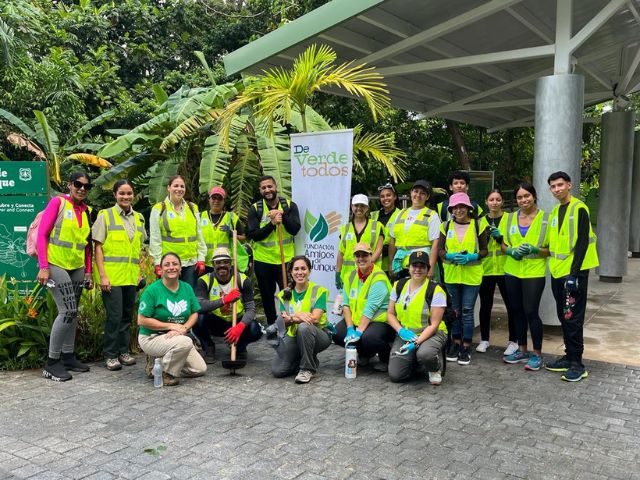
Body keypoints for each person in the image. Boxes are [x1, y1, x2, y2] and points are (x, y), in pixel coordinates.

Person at [37, 171, 94, 382]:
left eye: (86, 186)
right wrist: (44, 266)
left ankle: (68, 356)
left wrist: (88, 270)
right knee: (67, 310)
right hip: (55, 263)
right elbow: (43, 235)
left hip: (77, 265)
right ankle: (52, 363)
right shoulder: (58, 203)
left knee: (73, 311)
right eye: (78, 184)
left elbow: (86, 245)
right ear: (70, 185)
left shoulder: (87, 211)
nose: (82, 189)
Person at [545, 171, 599, 382]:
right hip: (558, 271)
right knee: (563, 315)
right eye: (553, 186)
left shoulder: (579, 208)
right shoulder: (556, 211)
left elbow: (583, 243)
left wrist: (574, 274)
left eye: (560, 185)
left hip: (573, 274)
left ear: (569, 184)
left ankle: (577, 363)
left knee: (573, 318)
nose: (557, 189)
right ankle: (569, 356)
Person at [93, 179, 147, 371]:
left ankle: (123, 352)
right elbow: (98, 247)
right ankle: (110, 354)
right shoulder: (105, 216)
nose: (126, 197)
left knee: (126, 316)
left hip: (131, 277)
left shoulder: (139, 218)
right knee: (114, 317)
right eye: (122, 193)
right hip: (112, 277)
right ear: (115, 195)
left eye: (129, 193)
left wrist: (140, 273)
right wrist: (103, 276)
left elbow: (138, 249)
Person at [500, 183, 549, 371]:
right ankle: (522, 350)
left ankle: (537, 354)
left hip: (534, 272)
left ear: (534, 196)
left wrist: (535, 250)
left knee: (531, 311)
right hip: (512, 270)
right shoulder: (510, 218)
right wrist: (510, 251)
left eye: (527, 196)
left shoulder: (546, 219)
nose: (523, 200)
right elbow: (503, 244)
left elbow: (550, 250)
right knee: (516, 310)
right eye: (520, 197)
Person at [138, 252, 206, 386]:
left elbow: (194, 313)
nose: (171, 267)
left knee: (199, 369)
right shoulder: (152, 291)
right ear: (161, 269)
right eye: (167, 265)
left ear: (181, 268)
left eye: (175, 264)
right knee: (186, 342)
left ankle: (157, 365)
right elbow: (141, 320)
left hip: (177, 336)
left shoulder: (186, 288)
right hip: (152, 337)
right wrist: (171, 326)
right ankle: (166, 373)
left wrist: (183, 329)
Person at [439, 192, 488, 366]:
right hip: (452, 275)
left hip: (471, 276)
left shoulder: (478, 225)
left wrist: (472, 257)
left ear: (469, 208)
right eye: (455, 207)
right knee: (455, 311)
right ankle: (456, 342)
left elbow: (484, 251)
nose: (459, 210)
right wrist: (450, 255)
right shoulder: (445, 226)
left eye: (462, 207)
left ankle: (466, 346)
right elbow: (440, 251)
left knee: (467, 311)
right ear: (451, 209)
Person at [387, 251, 448, 385]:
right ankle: (415, 362)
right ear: (408, 267)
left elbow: (434, 325)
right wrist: (401, 331)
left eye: (422, 266)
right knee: (396, 375)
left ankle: (434, 367)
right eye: (414, 266)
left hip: (432, 333)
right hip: (407, 334)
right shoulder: (399, 285)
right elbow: (390, 314)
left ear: (428, 269)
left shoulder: (435, 290)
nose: (418, 270)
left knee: (425, 354)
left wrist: (416, 343)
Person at [246, 175, 301, 326]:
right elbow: (253, 235)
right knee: (267, 295)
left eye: (270, 186)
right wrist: (271, 224)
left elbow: (295, 229)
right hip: (264, 260)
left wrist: (282, 216)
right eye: (264, 188)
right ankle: (271, 324)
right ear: (260, 190)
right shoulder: (255, 209)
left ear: (276, 187)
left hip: (286, 259)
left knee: (288, 293)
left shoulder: (289, 205)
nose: (267, 190)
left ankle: (290, 321)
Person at [194, 247, 262, 364]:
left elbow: (250, 309)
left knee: (255, 329)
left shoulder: (242, 280)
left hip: (236, 321)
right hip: (216, 322)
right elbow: (199, 305)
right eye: (218, 262)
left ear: (230, 264)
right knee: (197, 319)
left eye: (225, 262)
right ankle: (208, 346)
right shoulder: (204, 280)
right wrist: (224, 300)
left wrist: (241, 326)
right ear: (213, 265)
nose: (222, 265)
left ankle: (239, 347)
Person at [333, 242, 394, 372]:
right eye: (358, 255)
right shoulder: (350, 276)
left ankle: (387, 358)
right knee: (337, 333)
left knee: (369, 338)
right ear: (354, 258)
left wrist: (358, 332)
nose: (361, 259)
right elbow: (346, 304)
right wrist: (350, 328)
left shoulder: (378, 278)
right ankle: (365, 353)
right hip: (358, 320)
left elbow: (370, 309)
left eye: (364, 255)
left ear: (371, 256)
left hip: (380, 321)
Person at [271, 256, 332, 383]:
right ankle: (304, 358)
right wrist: (298, 315)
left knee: (304, 327)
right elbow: (283, 321)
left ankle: (307, 369)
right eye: (296, 269)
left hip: (318, 335)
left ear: (309, 271)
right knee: (278, 371)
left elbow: (314, 319)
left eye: (303, 269)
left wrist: (293, 318)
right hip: (293, 336)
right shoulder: (284, 295)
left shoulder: (319, 291)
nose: (300, 272)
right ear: (291, 273)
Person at [149, 175, 207, 290]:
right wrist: (157, 263)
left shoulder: (192, 208)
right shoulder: (159, 209)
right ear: (169, 188)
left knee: (187, 297)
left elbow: (199, 235)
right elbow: (155, 238)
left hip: (191, 263)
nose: (179, 189)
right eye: (176, 186)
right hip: (169, 264)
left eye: (182, 186)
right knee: (169, 297)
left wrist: (201, 258)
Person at [477, 189, 517, 354]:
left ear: (502, 202)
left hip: (506, 268)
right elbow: (476, 245)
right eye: (491, 199)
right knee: (485, 305)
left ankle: (513, 341)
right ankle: (484, 340)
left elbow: (515, 240)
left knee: (511, 305)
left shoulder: (510, 219)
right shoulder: (479, 222)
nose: (494, 202)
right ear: (486, 201)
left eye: (498, 199)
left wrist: (501, 239)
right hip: (486, 269)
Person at [388, 180, 441, 280]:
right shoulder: (400, 213)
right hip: (401, 263)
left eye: (423, 193)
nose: (418, 195)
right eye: (416, 191)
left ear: (427, 197)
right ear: (411, 193)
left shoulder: (432, 215)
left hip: (421, 264)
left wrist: (431, 267)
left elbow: (435, 244)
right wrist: (390, 263)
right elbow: (392, 241)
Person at [335, 194, 384, 291]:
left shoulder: (377, 226)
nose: (359, 208)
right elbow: (341, 252)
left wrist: (366, 266)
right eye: (356, 205)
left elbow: (379, 249)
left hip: (370, 273)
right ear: (352, 207)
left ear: (367, 208)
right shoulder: (345, 228)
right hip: (349, 275)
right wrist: (337, 272)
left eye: (362, 206)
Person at [200, 186, 247, 273]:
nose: (216, 201)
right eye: (214, 198)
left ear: (224, 201)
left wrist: (232, 233)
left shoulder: (232, 217)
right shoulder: (200, 217)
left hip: (225, 263)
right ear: (209, 200)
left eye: (220, 198)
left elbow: (244, 238)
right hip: (205, 263)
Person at [370, 182, 400, 275]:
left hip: (391, 264)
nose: (385, 198)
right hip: (373, 263)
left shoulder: (401, 215)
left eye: (388, 195)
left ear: (394, 197)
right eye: (382, 196)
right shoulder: (372, 215)